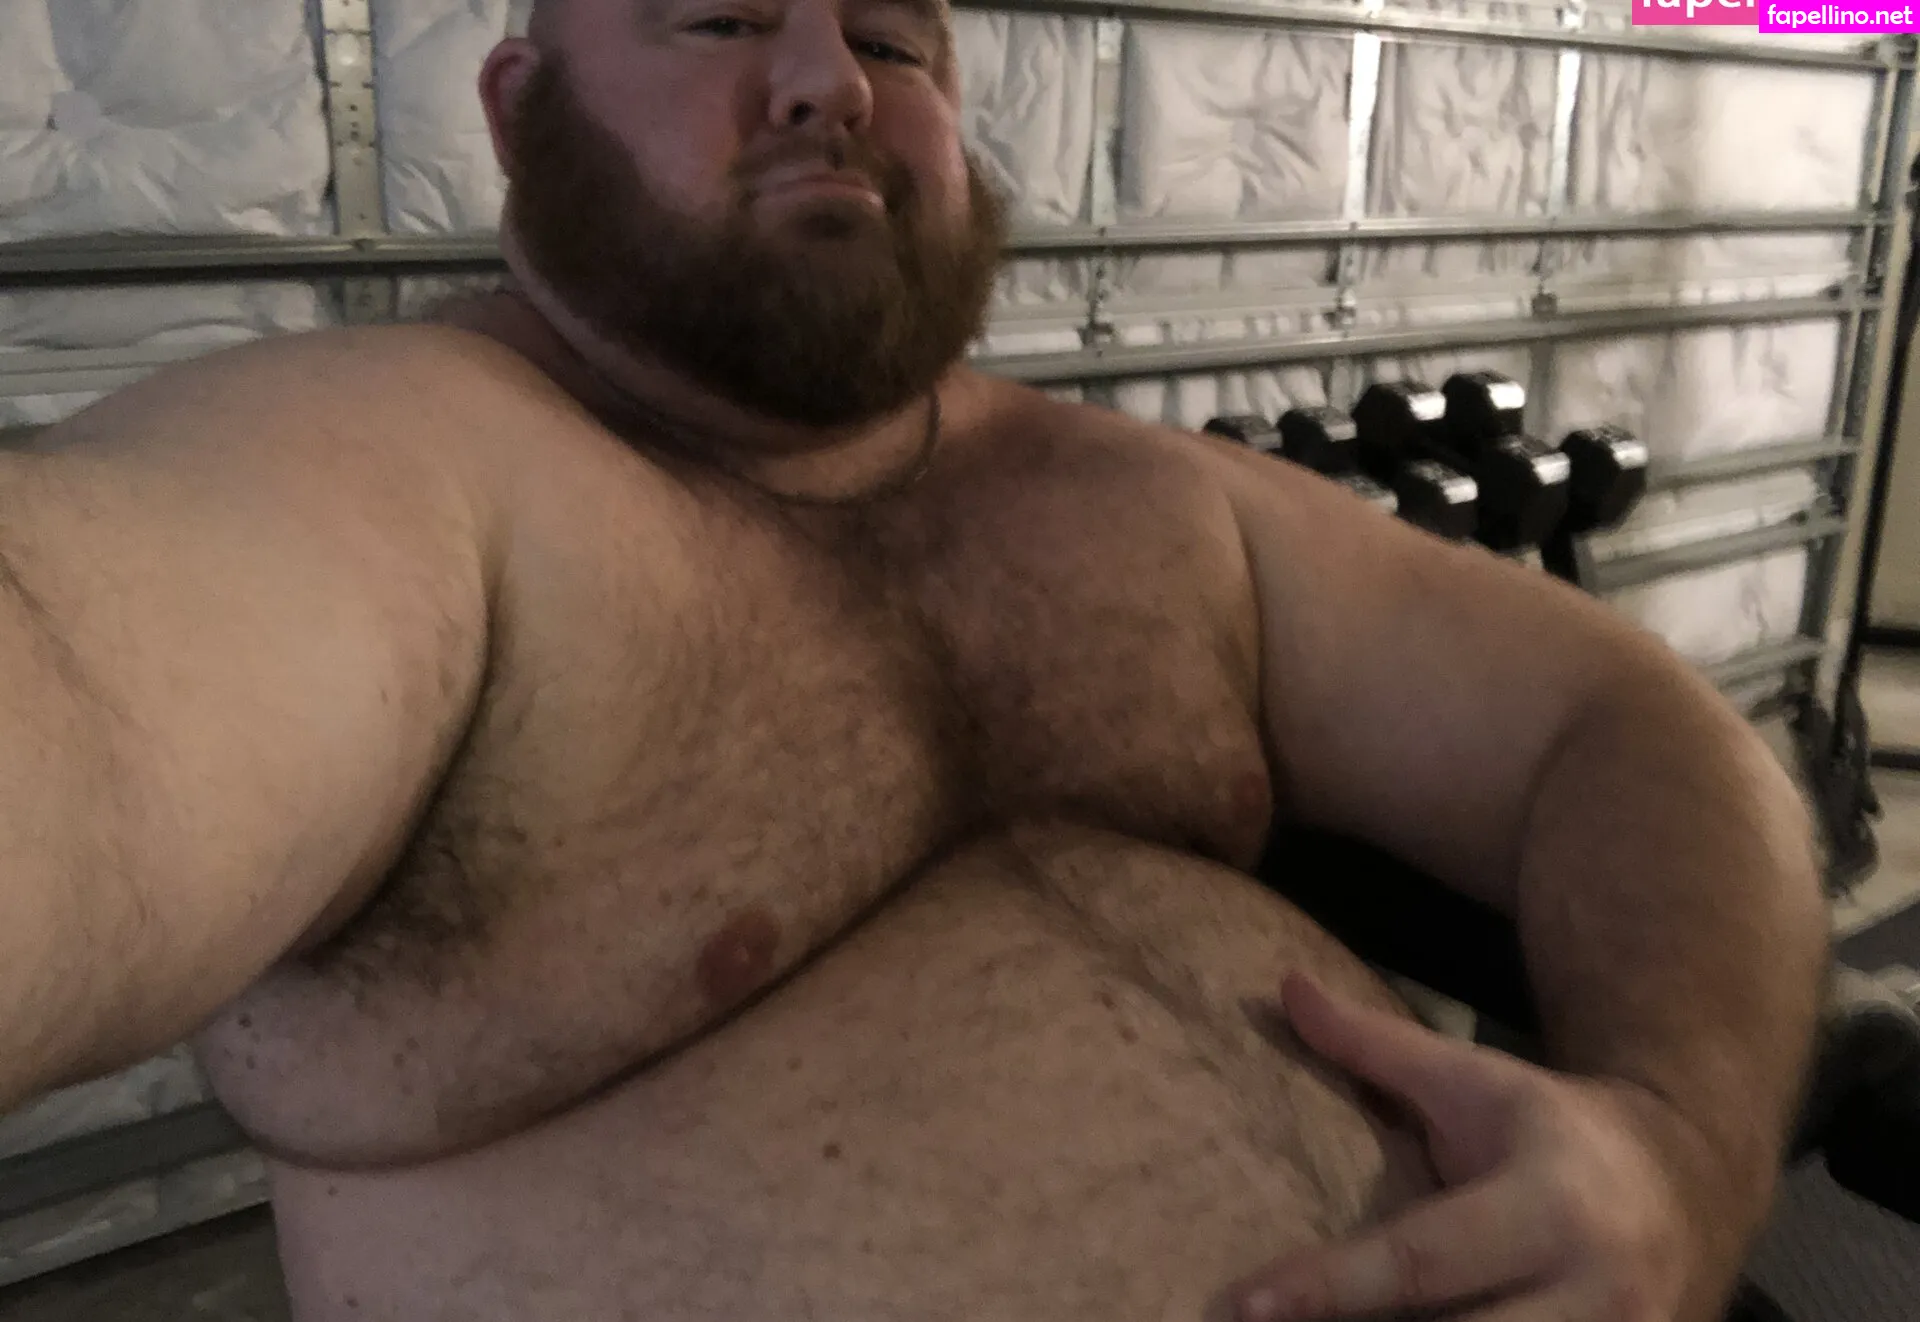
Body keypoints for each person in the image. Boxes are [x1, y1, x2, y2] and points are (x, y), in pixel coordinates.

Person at [0, 0, 1830, 1317]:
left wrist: (1678, 1143)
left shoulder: (1134, 497)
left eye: (895, 39)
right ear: (516, 104)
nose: (828, 80)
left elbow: (1622, 720)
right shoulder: (400, 469)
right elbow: (78, 692)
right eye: (720, 17)